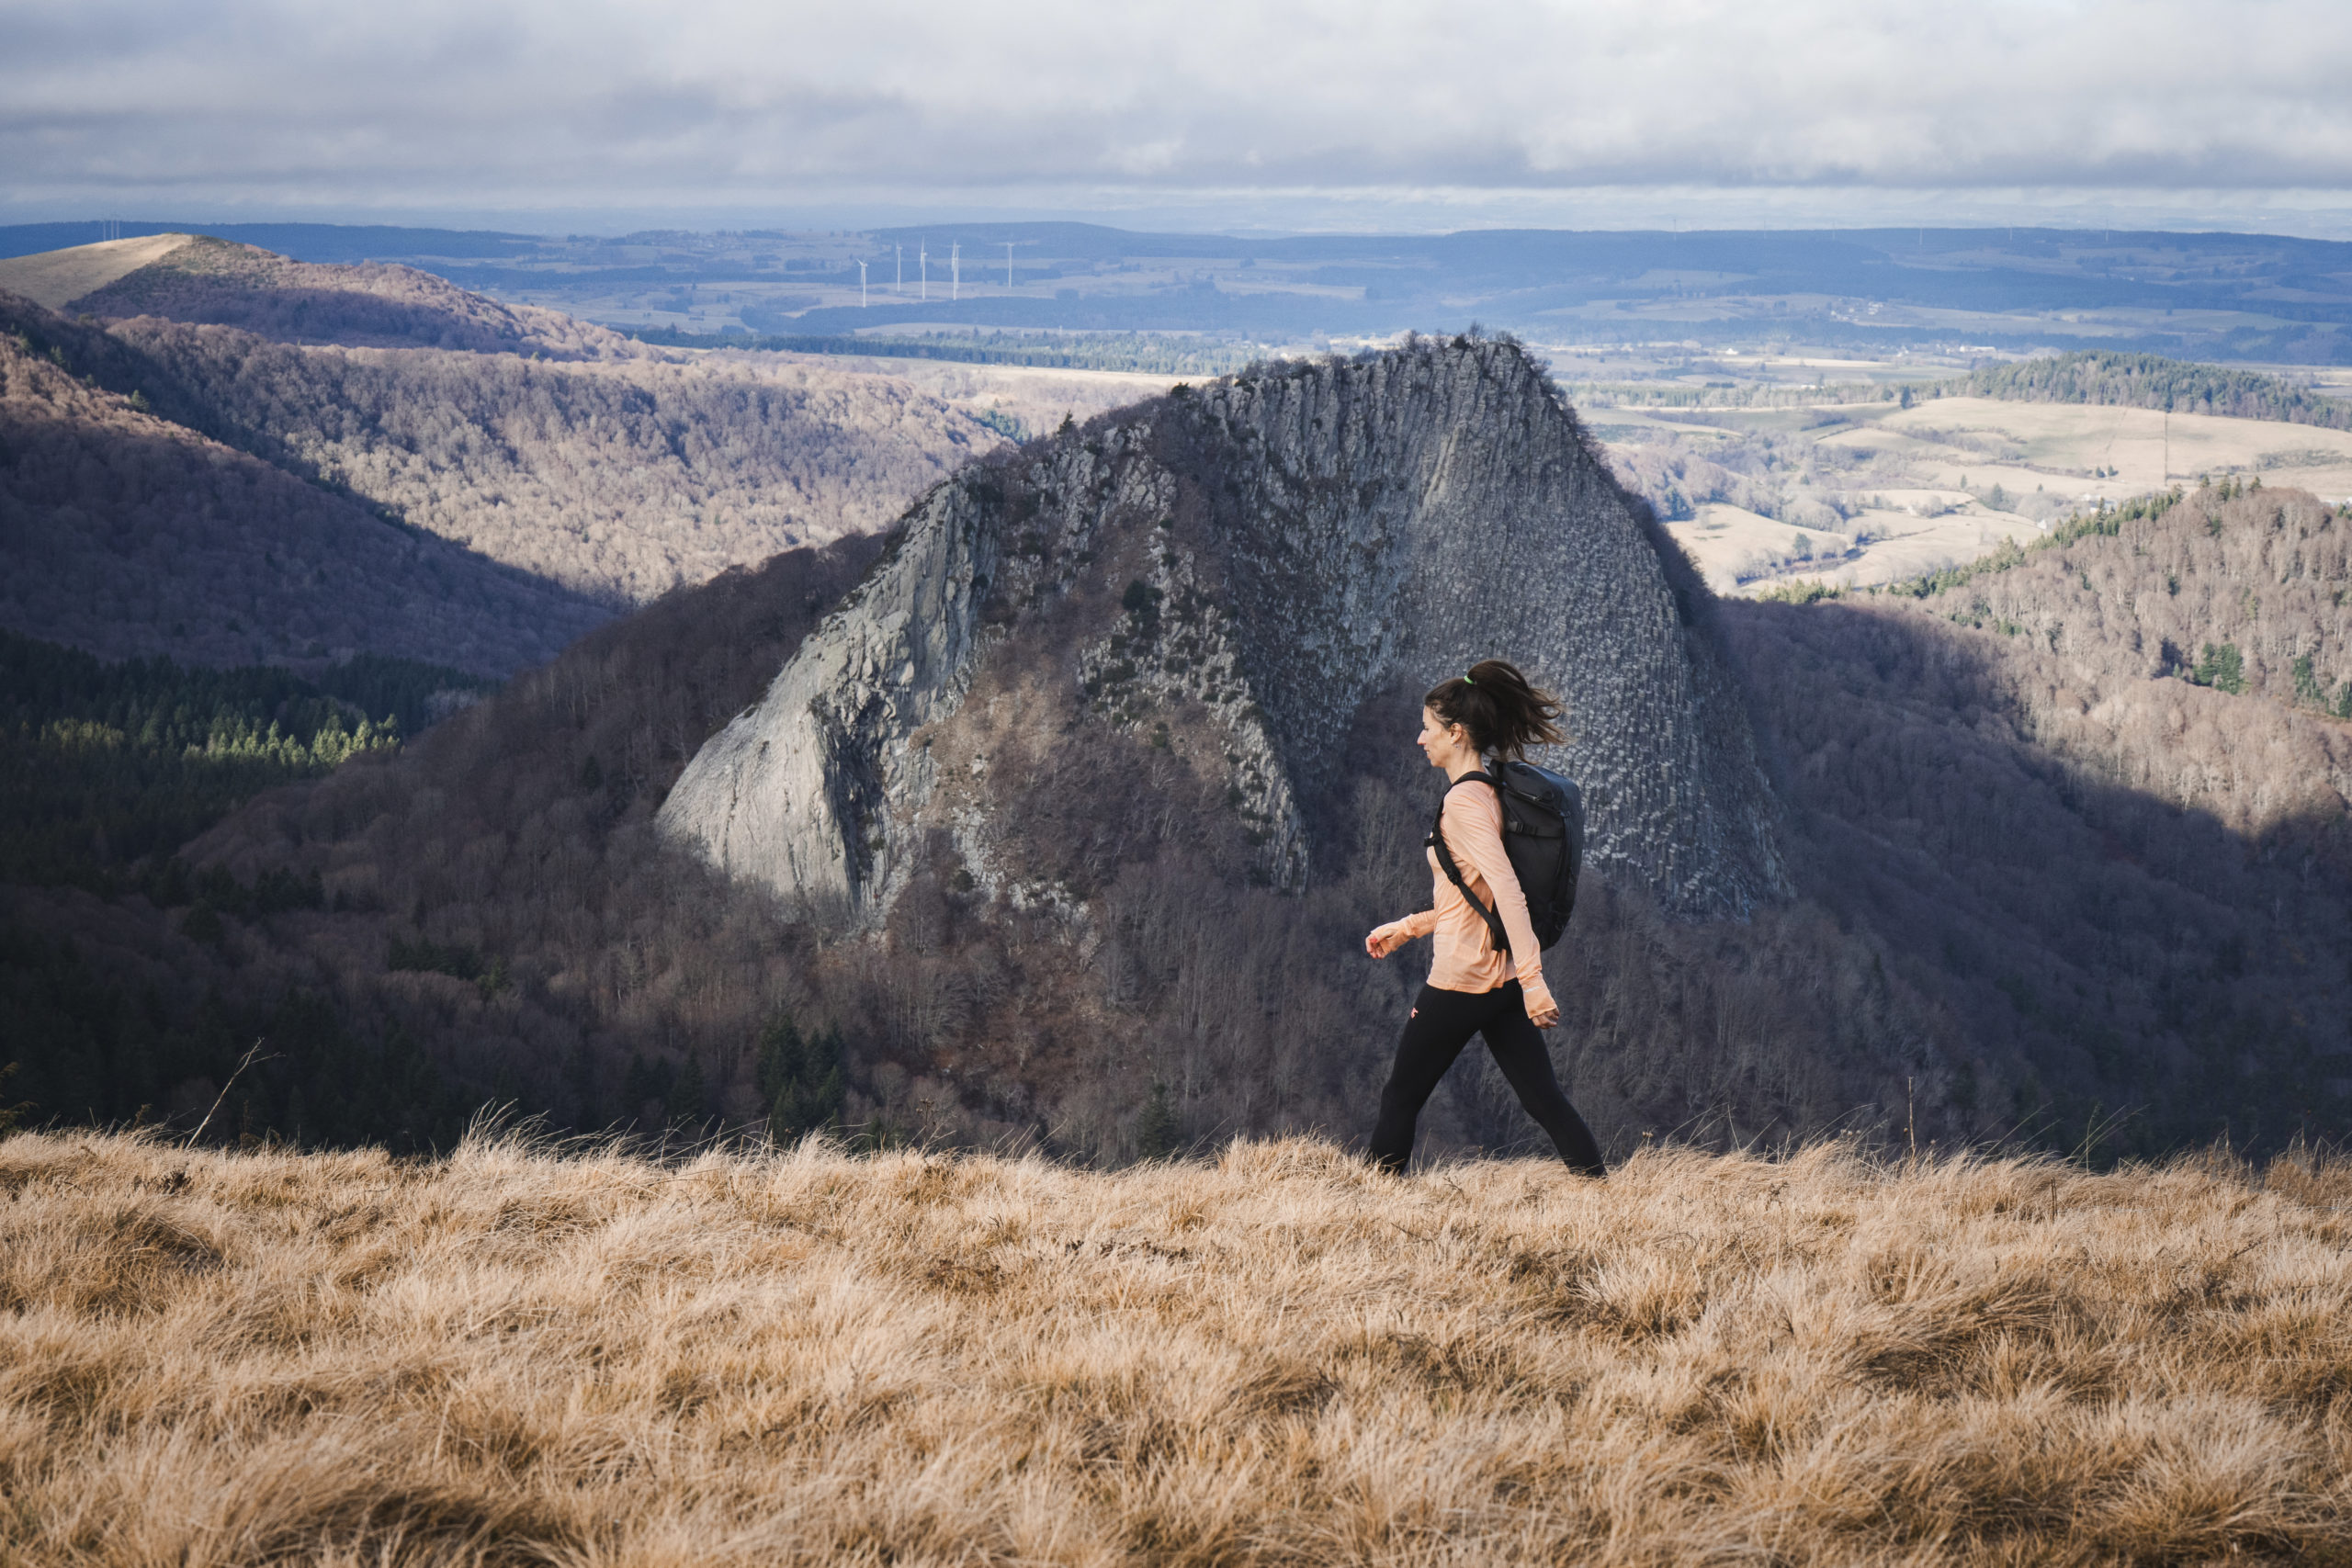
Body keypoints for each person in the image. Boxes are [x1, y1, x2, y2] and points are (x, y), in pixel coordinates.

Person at [1363, 659, 1609, 1178]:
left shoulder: (1464, 803)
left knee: (1399, 1098)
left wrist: (1535, 980)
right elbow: (1471, 898)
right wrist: (1407, 928)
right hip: (1500, 982)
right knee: (1544, 1101)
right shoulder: (1490, 790)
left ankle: (1368, 1206)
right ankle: (1603, 1194)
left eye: (1428, 728)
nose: (1420, 739)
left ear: (1456, 732)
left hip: (1462, 980)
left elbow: (1507, 890)